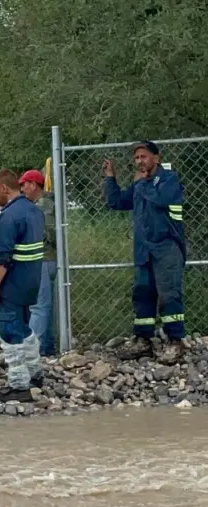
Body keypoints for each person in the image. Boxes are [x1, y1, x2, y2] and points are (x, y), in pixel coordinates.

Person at [103, 140, 186, 362]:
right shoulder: (140, 185)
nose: (140, 161)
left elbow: (161, 198)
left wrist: (143, 183)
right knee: (142, 294)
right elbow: (117, 202)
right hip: (143, 249)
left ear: (156, 158)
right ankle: (143, 341)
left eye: (144, 156)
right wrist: (110, 178)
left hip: (166, 246)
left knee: (169, 295)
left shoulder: (169, 179)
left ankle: (175, 341)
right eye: (137, 158)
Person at [0, 169, 44, 402]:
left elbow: (2, 258)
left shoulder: (9, 216)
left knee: (9, 331)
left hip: (12, 284)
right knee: (24, 328)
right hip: (30, 283)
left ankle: (19, 385)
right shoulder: (34, 211)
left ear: (4, 189)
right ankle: (35, 374)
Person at [19, 168, 57, 357]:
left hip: (41, 260)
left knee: (38, 307)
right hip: (50, 260)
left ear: (33, 184)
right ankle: (47, 347)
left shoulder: (41, 206)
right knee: (46, 306)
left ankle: (31, 351)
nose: (22, 189)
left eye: (24, 185)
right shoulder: (47, 203)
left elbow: (47, 232)